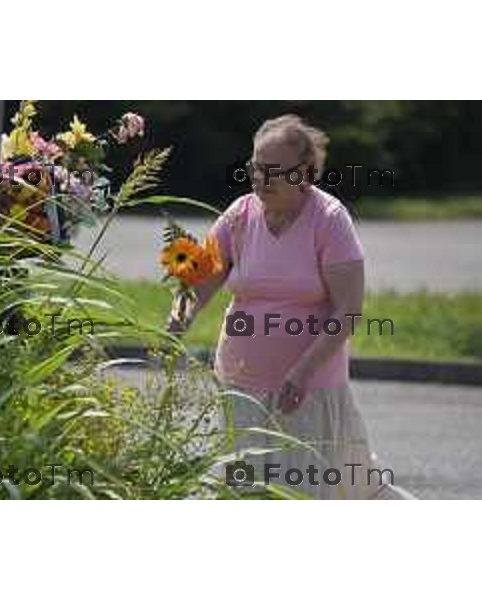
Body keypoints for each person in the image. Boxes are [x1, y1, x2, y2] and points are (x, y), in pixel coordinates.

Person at [168, 114, 415, 500]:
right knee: (249, 492)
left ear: (303, 173)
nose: (258, 179)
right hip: (242, 383)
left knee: (327, 491)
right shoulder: (239, 215)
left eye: (272, 171)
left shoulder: (330, 220)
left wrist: (301, 373)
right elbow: (200, 281)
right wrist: (175, 324)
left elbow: (348, 311)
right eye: (255, 167)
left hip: (307, 388)